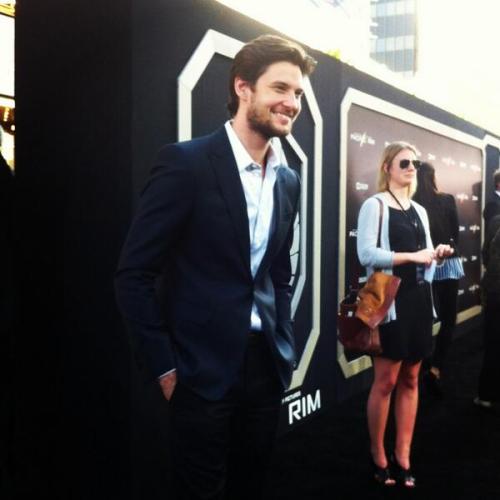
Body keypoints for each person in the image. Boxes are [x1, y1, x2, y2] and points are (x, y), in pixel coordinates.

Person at [115, 35, 316, 500]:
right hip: (198, 372)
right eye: (280, 88)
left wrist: (281, 342)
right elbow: (134, 274)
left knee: (251, 485)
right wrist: (165, 368)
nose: (291, 103)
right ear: (243, 87)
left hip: (264, 368)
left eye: (299, 94)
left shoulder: (288, 182)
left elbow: (276, 275)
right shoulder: (186, 163)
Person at [357, 142, 453, 488]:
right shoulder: (375, 205)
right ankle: (377, 453)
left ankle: (403, 454)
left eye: (415, 162)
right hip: (391, 303)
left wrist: (435, 255)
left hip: (417, 301)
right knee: (385, 382)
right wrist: (413, 256)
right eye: (405, 162)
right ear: (388, 168)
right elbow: (367, 253)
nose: (412, 167)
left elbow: (425, 255)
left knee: (412, 379)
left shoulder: (420, 210)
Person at [413, 162, 464, 397]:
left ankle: (423, 365)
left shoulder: (412, 203)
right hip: (448, 264)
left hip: (424, 264)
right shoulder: (447, 200)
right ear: (433, 177)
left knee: (423, 319)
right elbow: (455, 235)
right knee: (448, 319)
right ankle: (435, 367)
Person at [474, 213, 500, 413]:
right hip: (494, 289)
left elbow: (485, 254)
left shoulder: (495, 220)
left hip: (493, 289)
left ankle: (486, 395)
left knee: (492, 343)